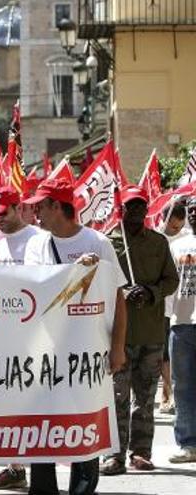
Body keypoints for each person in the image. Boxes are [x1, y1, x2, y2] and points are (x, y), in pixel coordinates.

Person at [22, 179, 128, 495]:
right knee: (42, 425)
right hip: (45, 353)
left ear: (58, 206)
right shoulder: (35, 245)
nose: (35, 212)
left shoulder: (98, 243)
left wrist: (117, 348)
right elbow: (32, 290)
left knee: (85, 425)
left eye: (40, 205)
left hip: (88, 352)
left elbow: (118, 298)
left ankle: (82, 489)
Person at [101, 186, 178, 475]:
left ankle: (141, 452)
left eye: (140, 207)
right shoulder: (109, 242)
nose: (136, 211)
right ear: (122, 209)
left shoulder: (158, 243)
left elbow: (171, 279)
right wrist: (123, 290)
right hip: (118, 335)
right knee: (116, 396)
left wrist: (150, 291)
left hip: (150, 333)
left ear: (146, 210)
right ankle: (114, 455)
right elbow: (98, 281)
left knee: (145, 398)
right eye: (131, 206)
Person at [0, 187, 40, 490]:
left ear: (18, 208)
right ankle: (16, 467)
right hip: (2, 336)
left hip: (35, 334)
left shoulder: (40, 240)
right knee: (7, 403)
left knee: (34, 402)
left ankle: (41, 463)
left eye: (2, 213)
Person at [167, 195, 196, 464]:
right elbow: (169, 287)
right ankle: (188, 444)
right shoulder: (178, 246)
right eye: (192, 211)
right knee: (183, 386)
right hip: (182, 324)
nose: (195, 214)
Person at [160, 199, 187, 414]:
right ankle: (166, 393)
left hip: (181, 308)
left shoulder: (186, 239)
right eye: (173, 226)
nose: (175, 229)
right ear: (164, 220)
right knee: (163, 353)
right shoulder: (156, 238)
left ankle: (174, 393)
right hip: (160, 306)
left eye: (179, 225)